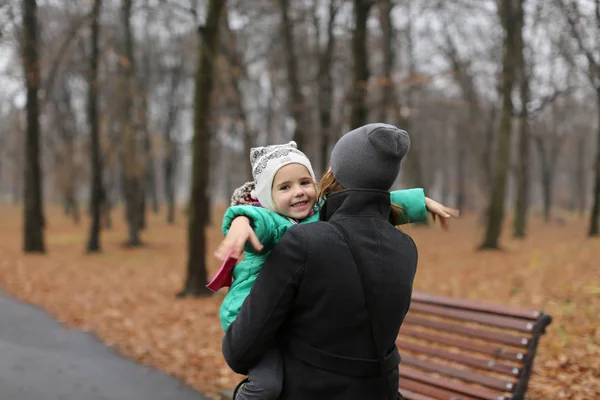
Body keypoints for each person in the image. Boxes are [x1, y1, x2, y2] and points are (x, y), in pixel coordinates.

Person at [221, 124, 455, 399]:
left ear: (335, 172)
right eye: (285, 187)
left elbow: (239, 352)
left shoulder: (304, 242)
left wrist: (238, 221)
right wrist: (240, 219)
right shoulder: (406, 247)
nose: (299, 192)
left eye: (304, 182)